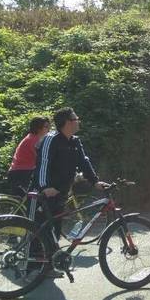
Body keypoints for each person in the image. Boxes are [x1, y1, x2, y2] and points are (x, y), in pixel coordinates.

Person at [32, 107, 108, 277]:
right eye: (76, 118)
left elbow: (84, 162)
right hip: (45, 193)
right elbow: (43, 164)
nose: (78, 121)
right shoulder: (51, 139)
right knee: (42, 229)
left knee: (55, 230)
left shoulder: (74, 141)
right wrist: (45, 187)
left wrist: (95, 181)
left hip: (61, 193)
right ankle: (34, 268)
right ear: (67, 123)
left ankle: (47, 267)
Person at [7, 116, 51, 197]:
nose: (49, 129)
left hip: (22, 172)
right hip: (21, 173)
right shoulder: (33, 140)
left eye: (49, 126)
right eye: (46, 127)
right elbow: (42, 158)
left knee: (24, 201)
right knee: (26, 201)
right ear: (38, 128)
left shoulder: (33, 138)